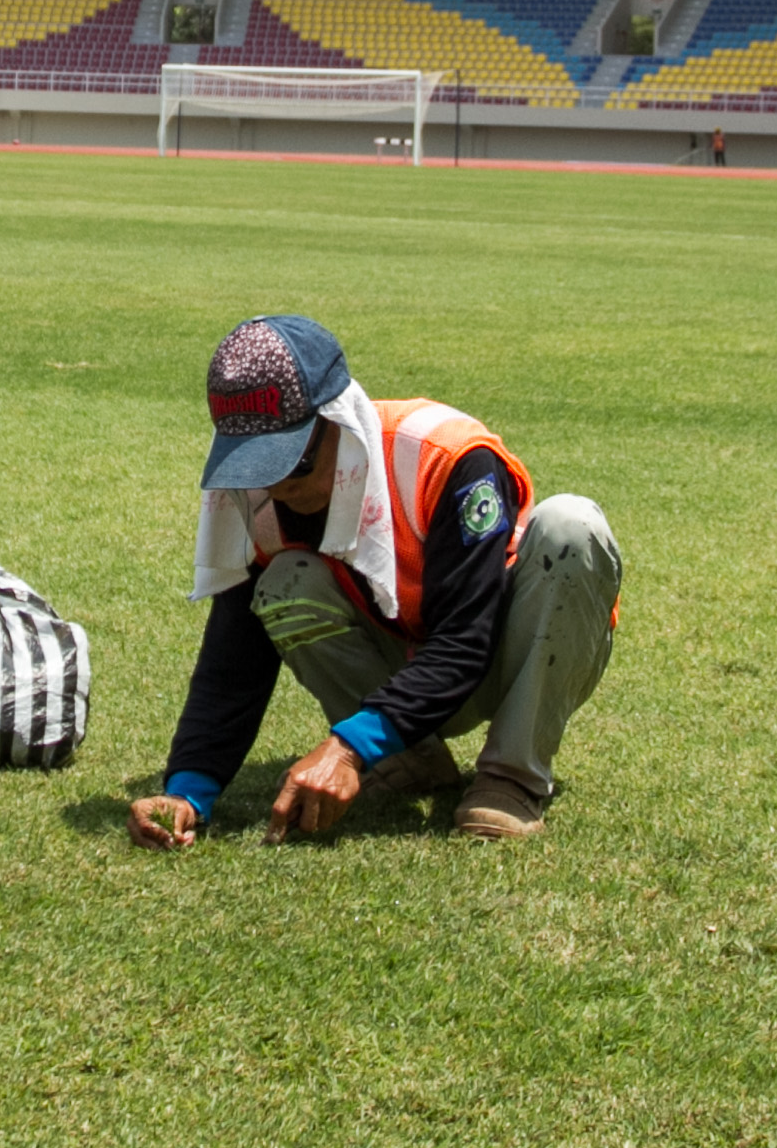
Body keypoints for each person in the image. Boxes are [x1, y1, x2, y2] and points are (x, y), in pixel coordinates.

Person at [131, 313, 621, 849]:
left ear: (338, 421)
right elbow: (233, 658)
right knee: (284, 583)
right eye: (255, 466)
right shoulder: (258, 499)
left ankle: (512, 778)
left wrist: (347, 749)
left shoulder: (444, 456)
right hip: (405, 665)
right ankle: (411, 759)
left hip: (511, 655)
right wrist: (188, 791)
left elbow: (465, 639)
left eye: (291, 462)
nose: (276, 486)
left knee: (572, 526)